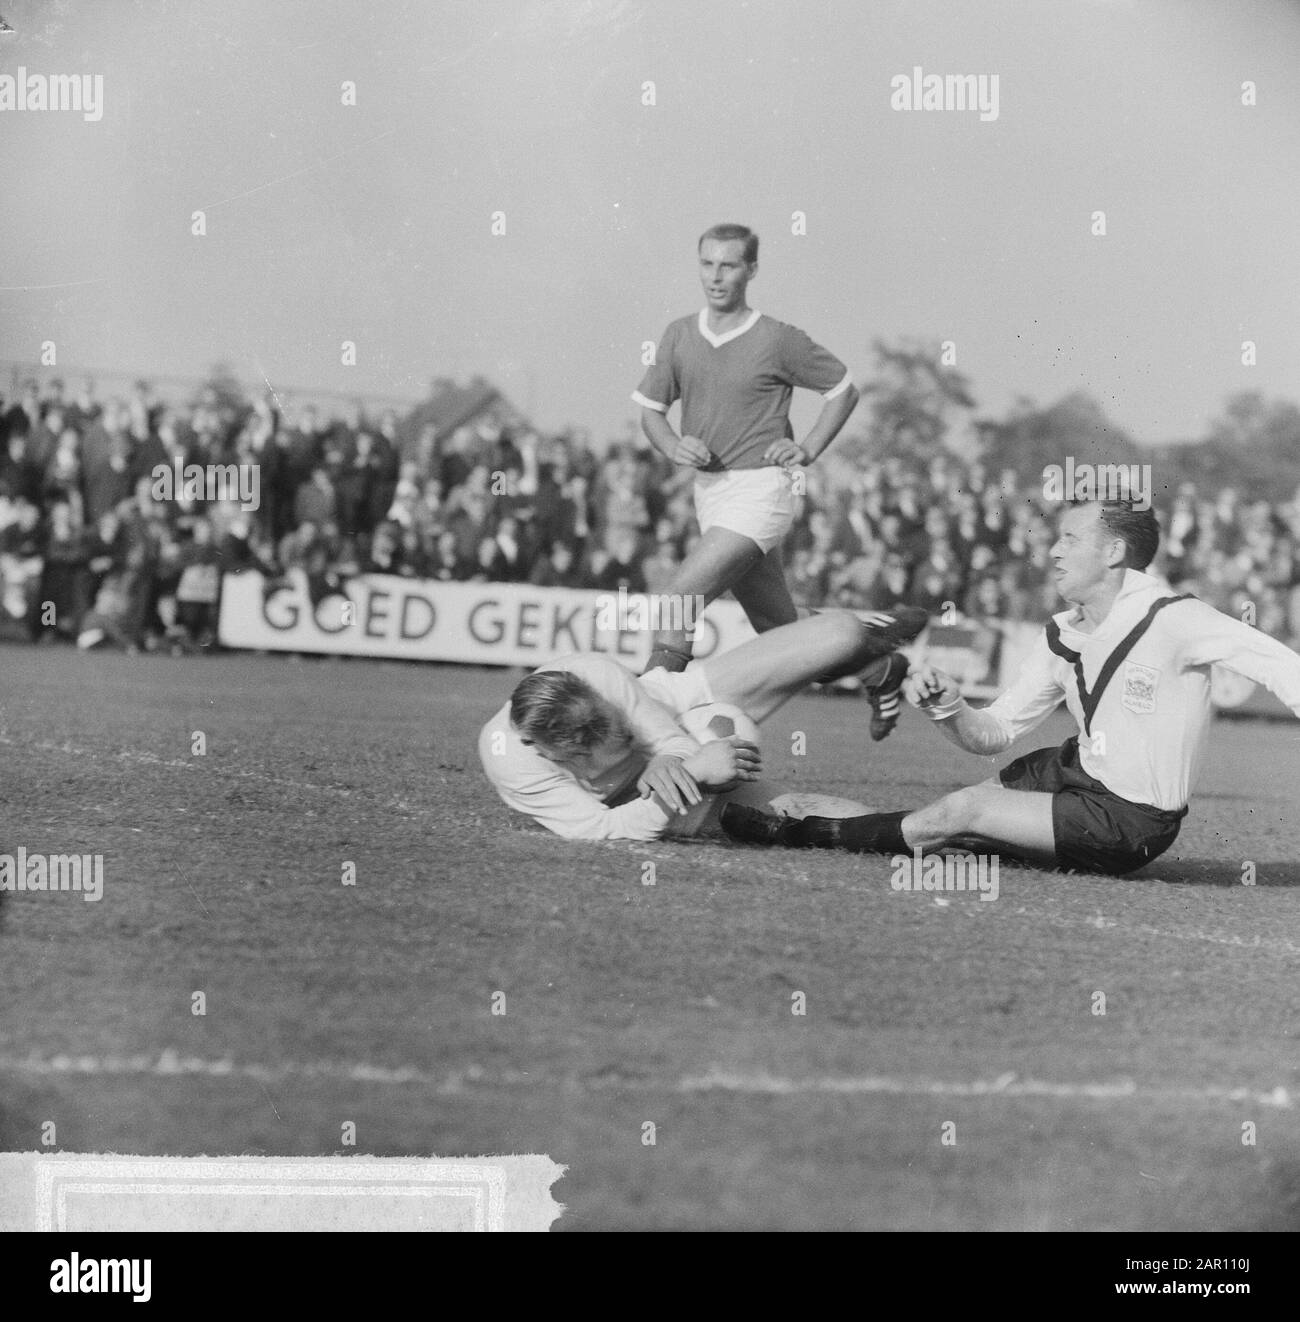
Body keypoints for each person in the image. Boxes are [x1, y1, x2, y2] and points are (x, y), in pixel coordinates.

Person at [721, 500, 1300, 876]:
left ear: (1114, 552)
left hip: (1131, 820)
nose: (1052, 550)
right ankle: (804, 821)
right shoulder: (1060, 634)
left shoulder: (1175, 619)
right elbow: (991, 734)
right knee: (944, 828)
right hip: (1068, 772)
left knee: (960, 813)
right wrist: (947, 706)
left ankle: (797, 832)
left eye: (1070, 538)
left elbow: (1282, 667)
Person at [478, 612, 912, 842]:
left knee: (842, 632)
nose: (622, 742)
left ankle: (878, 667)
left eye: (620, 729)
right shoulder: (513, 765)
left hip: (676, 704)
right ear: (544, 751)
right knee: (819, 816)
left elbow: (667, 739)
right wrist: (693, 774)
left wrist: (673, 757)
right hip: (646, 796)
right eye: (603, 748)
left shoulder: (593, 672)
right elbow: (603, 829)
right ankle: (944, 831)